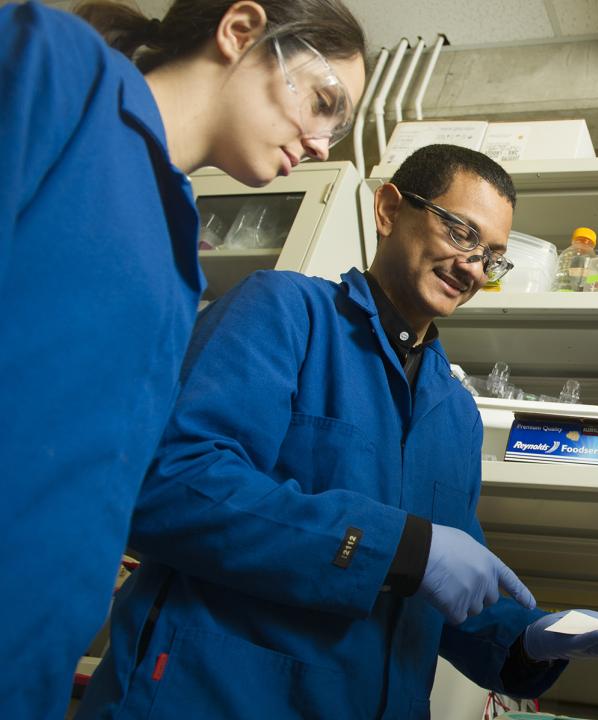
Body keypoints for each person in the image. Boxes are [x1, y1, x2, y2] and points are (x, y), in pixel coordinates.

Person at [77, 145, 598, 718]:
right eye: (460, 233)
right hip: (217, 696)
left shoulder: (454, 413)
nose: (472, 268)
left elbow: (444, 592)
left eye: (491, 256)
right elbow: (172, 486)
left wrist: (532, 639)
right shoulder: (286, 312)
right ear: (388, 210)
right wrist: (404, 549)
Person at [0, 1, 366, 716]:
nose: (325, 144)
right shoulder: (59, 71)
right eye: (324, 104)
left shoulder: (178, 253)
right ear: (241, 32)